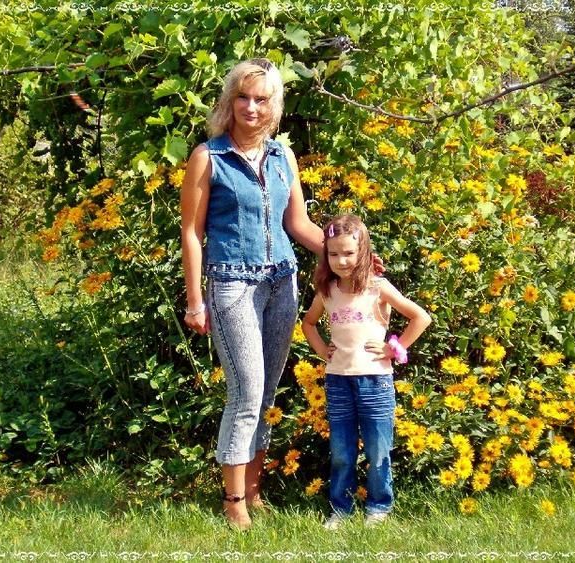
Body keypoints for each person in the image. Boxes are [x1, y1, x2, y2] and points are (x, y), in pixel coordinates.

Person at [180, 58, 326, 530]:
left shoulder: (284, 157)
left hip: (281, 282)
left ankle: (255, 491)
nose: (251, 107)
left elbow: (298, 224)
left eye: (261, 99)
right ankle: (233, 502)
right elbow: (191, 233)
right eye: (243, 97)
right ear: (230, 101)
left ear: (274, 106)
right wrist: (195, 300)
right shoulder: (209, 157)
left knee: (264, 395)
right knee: (245, 392)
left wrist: (350, 254)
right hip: (232, 285)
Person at [301, 214, 432, 530]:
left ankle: (378, 506)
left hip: (375, 381)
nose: (342, 260)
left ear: (363, 252)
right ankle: (341, 508)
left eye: (349, 253)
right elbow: (309, 323)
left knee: (378, 449)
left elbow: (421, 318)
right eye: (334, 254)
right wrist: (321, 350)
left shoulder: (377, 287)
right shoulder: (327, 291)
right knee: (342, 452)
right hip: (338, 381)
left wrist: (393, 348)